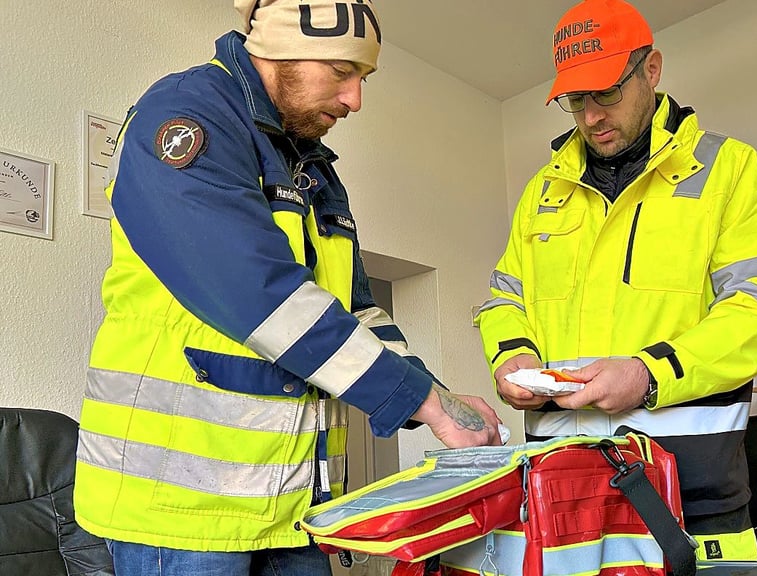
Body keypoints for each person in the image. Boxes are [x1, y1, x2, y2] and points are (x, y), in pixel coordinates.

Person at [73, 1, 503, 574]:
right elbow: (260, 294)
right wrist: (420, 401)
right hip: (177, 508)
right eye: (343, 72)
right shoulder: (187, 113)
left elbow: (357, 312)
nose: (355, 99)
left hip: (287, 502)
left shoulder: (316, 171)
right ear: (282, 47)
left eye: (363, 77)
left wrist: (437, 395)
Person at [476, 0, 757, 562]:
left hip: (691, 498)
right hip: (561, 497)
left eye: (605, 92)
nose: (591, 116)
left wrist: (649, 374)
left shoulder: (729, 168)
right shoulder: (541, 193)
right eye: (574, 101)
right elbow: (506, 300)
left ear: (651, 69)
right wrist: (512, 359)